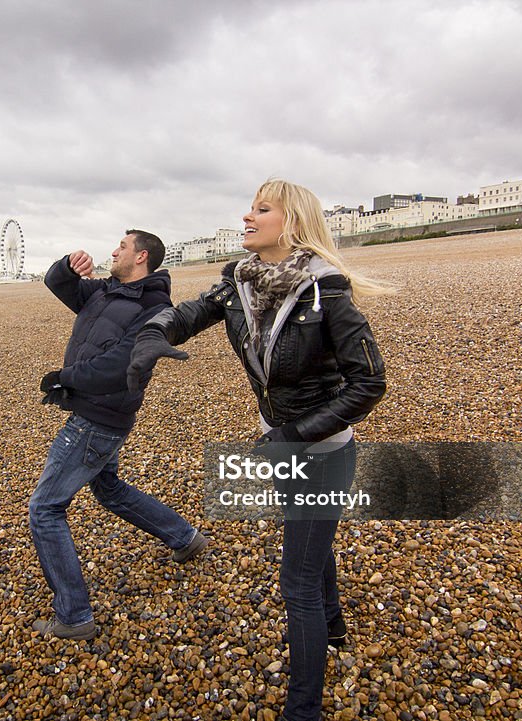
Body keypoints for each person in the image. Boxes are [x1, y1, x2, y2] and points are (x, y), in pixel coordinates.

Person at [127, 180, 391, 720]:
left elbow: (369, 384)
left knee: (296, 583)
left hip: (322, 451)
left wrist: (293, 436)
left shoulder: (327, 294)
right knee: (311, 536)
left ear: (290, 224)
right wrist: (154, 335)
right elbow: (185, 314)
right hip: (282, 441)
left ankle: (303, 709)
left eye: (261, 209)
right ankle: (334, 624)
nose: (247, 216)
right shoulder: (239, 284)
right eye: (251, 206)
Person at [30, 230, 210, 641]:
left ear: (141, 256)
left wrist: (65, 379)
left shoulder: (153, 307)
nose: (113, 251)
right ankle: (184, 537)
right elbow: (57, 283)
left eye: (122, 247)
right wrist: (67, 264)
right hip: (99, 416)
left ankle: (74, 617)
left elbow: (120, 363)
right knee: (108, 489)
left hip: (98, 418)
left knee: (45, 509)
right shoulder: (104, 291)